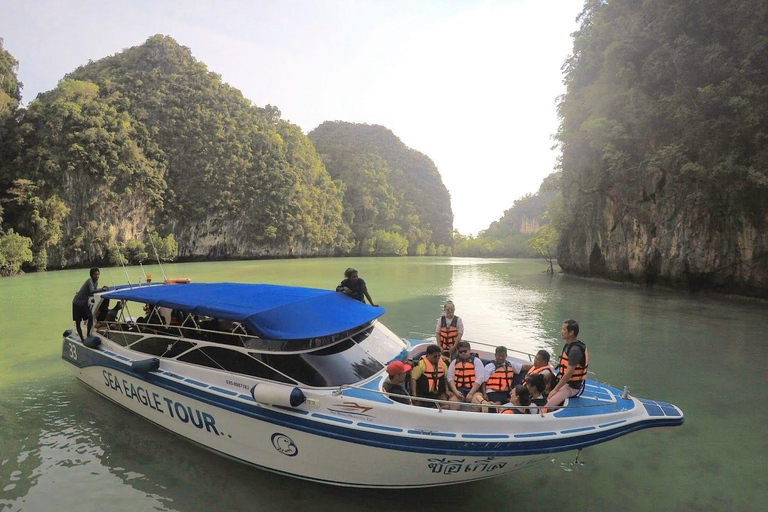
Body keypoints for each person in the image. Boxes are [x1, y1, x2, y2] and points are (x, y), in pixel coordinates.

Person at [545, 319, 590, 411]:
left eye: (564, 329)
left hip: (571, 387)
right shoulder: (569, 345)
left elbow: (569, 374)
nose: (561, 331)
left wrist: (555, 390)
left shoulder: (575, 351)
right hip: (563, 381)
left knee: (547, 405)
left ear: (571, 333)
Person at [447, 341, 486, 411]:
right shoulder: (454, 362)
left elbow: (480, 378)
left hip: (474, 390)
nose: (463, 353)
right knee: (453, 403)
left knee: (476, 404)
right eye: (460, 352)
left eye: (465, 351)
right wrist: (455, 391)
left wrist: (471, 393)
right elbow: (450, 378)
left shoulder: (477, 361)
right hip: (459, 390)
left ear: (469, 350)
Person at [481, 346, 523, 410]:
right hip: (493, 392)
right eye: (499, 356)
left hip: (507, 391)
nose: (500, 358)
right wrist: (484, 394)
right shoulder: (489, 366)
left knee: (515, 401)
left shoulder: (510, 364)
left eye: (502, 356)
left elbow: (523, 367)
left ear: (506, 355)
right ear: (495, 355)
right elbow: (484, 382)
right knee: (497, 403)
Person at [72, 267, 108, 340]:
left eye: (98, 274)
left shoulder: (96, 282)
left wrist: (101, 289)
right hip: (77, 303)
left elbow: (93, 292)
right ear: (91, 275)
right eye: (95, 274)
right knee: (78, 322)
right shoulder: (90, 281)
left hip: (84, 303)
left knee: (90, 317)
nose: (97, 276)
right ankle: (82, 339)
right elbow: (92, 291)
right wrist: (102, 289)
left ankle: (88, 335)